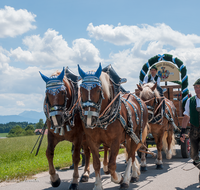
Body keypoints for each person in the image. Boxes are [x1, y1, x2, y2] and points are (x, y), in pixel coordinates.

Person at [180, 78, 200, 187]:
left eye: (199, 87)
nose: (197, 90)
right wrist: (183, 131)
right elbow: (186, 117)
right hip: (194, 131)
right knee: (193, 156)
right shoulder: (190, 101)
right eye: (196, 87)